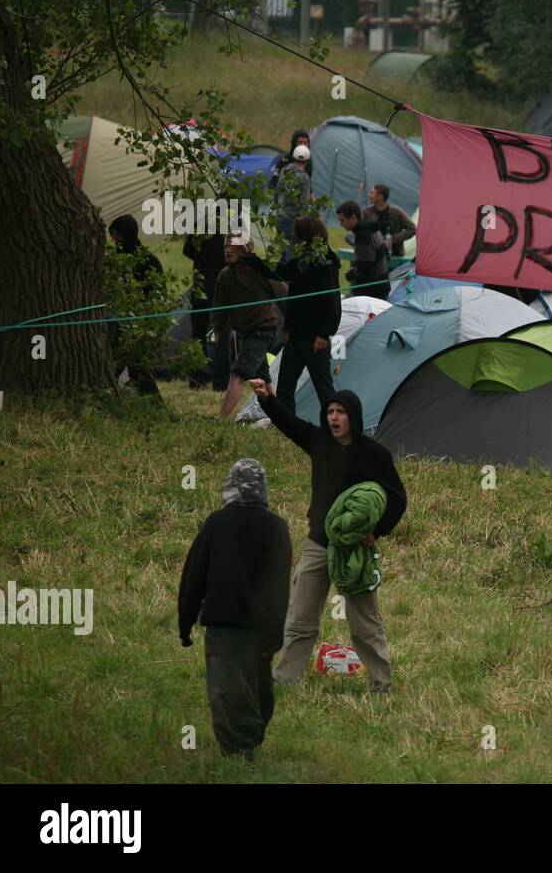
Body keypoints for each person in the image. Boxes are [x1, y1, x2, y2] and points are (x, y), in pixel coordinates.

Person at [248, 383, 408, 694]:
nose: (333, 417)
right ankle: (284, 680)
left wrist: (377, 531)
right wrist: (267, 398)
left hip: (353, 551)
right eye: (330, 412)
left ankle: (381, 684)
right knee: (299, 618)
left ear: (354, 417)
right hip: (318, 544)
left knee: (365, 624)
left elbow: (398, 498)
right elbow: (289, 424)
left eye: (341, 412)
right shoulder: (319, 441)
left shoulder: (374, 454)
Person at [178, 459, 291, 760]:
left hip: (224, 625)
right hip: (261, 625)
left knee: (228, 690)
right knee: (257, 687)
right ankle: (249, 744)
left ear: (229, 488)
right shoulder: (277, 527)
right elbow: (281, 587)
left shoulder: (217, 523)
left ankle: (239, 754)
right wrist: (275, 635)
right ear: (264, 490)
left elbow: (194, 575)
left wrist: (185, 622)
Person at [213, 227, 286, 420]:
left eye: (233, 247)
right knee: (263, 380)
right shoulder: (225, 275)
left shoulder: (260, 271)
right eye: (225, 247)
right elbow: (219, 305)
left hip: (263, 330)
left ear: (246, 249)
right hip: (244, 332)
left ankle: (221, 419)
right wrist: (218, 327)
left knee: (238, 374)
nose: (228, 251)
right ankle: (283, 418)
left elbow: (284, 295)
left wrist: (290, 326)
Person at [275, 216, 342, 413]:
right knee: (285, 385)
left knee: (323, 388)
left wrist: (324, 333)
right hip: (296, 333)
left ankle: (334, 423)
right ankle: (286, 423)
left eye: (296, 236)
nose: (293, 239)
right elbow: (284, 275)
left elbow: (332, 302)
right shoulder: (300, 261)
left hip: (315, 338)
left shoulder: (325, 263)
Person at [107, 214, 164, 397]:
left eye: (114, 235)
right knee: (129, 364)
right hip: (133, 321)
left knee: (125, 364)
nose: (113, 240)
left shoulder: (118, 259)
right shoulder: (150, 259)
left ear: (120, 234)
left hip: (128, 321)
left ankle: (150, 402)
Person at [183, 231, 231, 391]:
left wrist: (202, 259)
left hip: (201, 281)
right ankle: (221, 383)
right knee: (222, 333)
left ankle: (196, 378)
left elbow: (187, 249)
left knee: (198, 332)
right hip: (223, 281)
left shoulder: (200, 224)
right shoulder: (232, 225)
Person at [337, 201, 390, 300]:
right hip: (382, 286)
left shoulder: (363, 235)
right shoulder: (372, 228)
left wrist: (351, 274)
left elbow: (365, 267)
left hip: (371, 292)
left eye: (342, 220)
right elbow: (386, 255)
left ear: (353, 217)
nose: (340, 224)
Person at [361, 183, 416, 258]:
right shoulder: (366, 212)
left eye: (372, 193)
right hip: (374, 255)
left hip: (395, 254)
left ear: (380, 196)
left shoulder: (396, 211)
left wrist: (393, 238)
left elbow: (412, 229)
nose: (369, 195)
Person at [275, 145, 313, 245]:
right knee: (292, 248)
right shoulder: (304, 177)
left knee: (279, 247)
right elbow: (304, 203)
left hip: (280, 216)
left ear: (293, 157)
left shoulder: (285, 170)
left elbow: (277, 191)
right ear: (307, 160)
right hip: (293, 220)